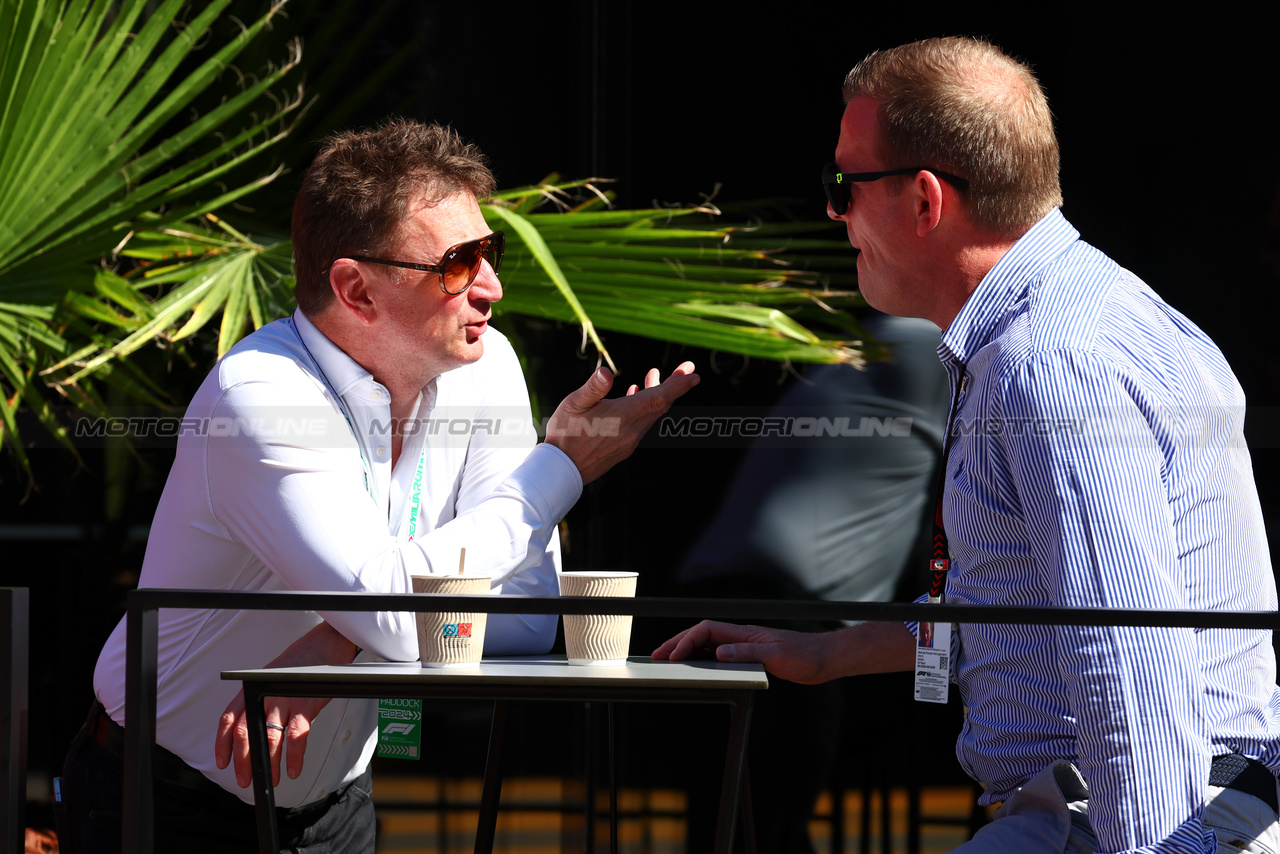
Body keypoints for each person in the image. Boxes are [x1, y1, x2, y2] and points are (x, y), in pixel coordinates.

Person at [656, 36, 1280, 854]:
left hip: (1144, 824)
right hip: (1179, 809)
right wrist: (830, 652)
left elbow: (1129, 666)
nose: (834, 213)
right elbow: (1029, 611)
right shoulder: (1083, 319)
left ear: (924, 201)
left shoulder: (1049, 363)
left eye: (842, 186)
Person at [58, 119, 699, 852]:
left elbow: (527, 615)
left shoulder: (485, 367)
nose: (490, 285)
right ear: (356, 289)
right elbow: (396, 615)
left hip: (338, 813)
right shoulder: (263, 395)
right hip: (166, 805)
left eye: (489, 251)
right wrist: (562, 468)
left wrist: (341, 648)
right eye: (458, 263)